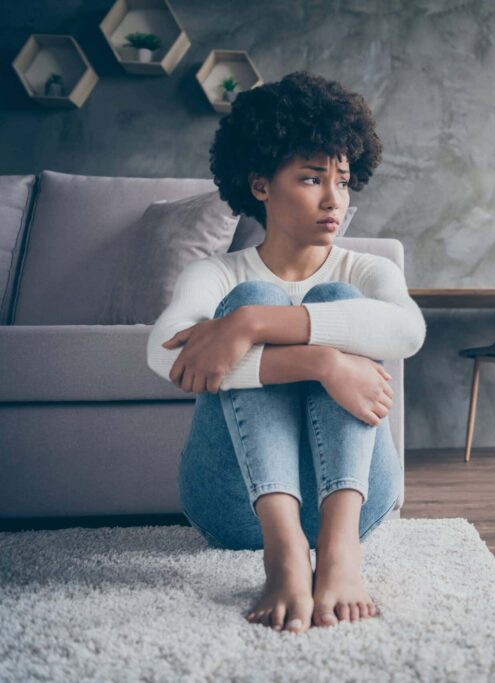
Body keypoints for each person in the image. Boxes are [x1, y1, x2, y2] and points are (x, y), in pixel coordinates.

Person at [145, 71, 426, 635]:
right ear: (260, 185)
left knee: (331, 301)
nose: (334, 200)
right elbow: (165, 354)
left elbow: (407, 332)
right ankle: (285, 552)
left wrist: (252, 326)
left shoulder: (367, 270)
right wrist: (323, 362)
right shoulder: (216, 273)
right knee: (247, 294)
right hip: (235, 507)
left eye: (343, 181)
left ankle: (340, 551)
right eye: (310, 178)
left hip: (352, 502)